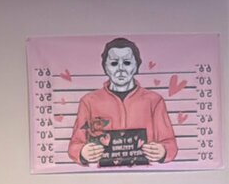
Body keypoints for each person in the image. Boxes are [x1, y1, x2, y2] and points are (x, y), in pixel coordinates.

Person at [68, 37, 178, 166]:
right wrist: (82, 153)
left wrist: (163, 151)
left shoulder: (154, 100)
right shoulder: (89, 102)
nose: (121, 69)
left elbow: (170, 144)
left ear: (136, 66)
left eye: (127, 62)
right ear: (105, 67)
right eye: (114, 63)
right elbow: (75, 145)